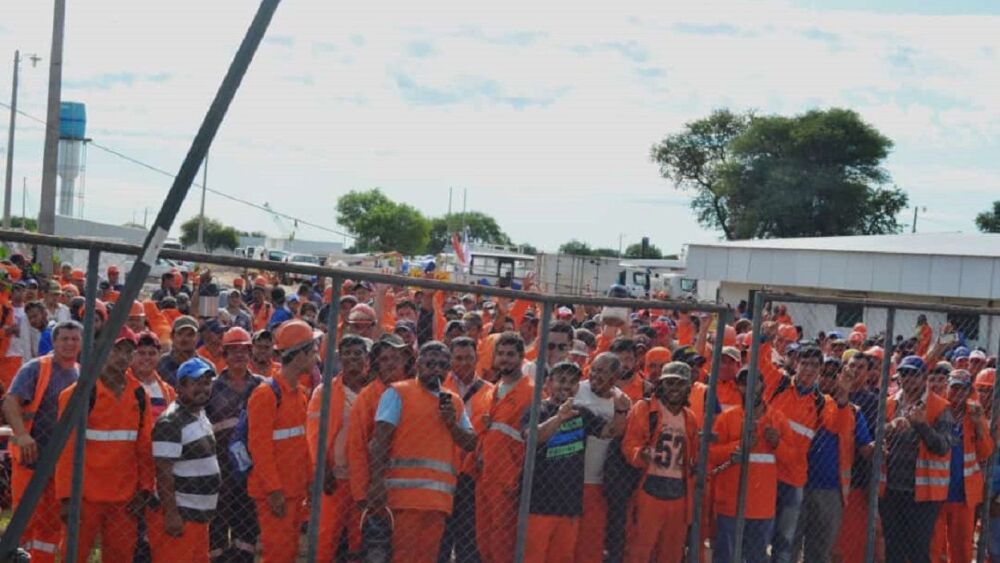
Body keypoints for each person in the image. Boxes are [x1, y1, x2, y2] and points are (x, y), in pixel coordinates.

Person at [366, 340, 477, 562]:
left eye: (442, 365)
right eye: (430, 363)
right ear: (418, 364)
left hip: (438, 502)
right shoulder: (398, 392)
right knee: (403, 556)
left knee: (428, 556)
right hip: (404, 499)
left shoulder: (453, 402)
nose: (436, 369)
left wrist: (451, 423)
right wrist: (376, 483)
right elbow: (379, 441)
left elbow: (471, 443)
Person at [55, 326, 155, 562]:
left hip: (125, 500)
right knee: (73, 555)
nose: (123, 357)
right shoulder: (78, 394)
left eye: (128, 351)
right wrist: (67, 497)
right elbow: (66, 449)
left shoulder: (139, 394)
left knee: (120, 557)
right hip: (84, 498)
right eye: (116, 349)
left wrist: (144, 490)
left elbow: (144, 447)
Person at [521, 361, 627, 563]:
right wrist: (559, 418)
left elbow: (609, 432)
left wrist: (621, 412)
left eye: (572, 382)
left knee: (563, 558)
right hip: (538, 504)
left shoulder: (581, 413)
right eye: (561, 380)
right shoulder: (537, 409)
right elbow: (533, 436)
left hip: (570, 505)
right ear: (548, 383)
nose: (566, 386)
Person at [1, 320, 82, 563]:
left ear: (81, 344)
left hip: (60, 465)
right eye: (64, 338)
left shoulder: (81, 373)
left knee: (51, 526)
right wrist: (23, 435)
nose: (69, 343)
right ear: (54, 341)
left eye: (74, 339)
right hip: (31, 460)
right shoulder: (36, 368)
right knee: (24, 521)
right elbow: (10, 402)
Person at [766, 345, 853, 563]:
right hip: (765, 471)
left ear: (819, 370)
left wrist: (843, 396)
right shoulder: (779, 384)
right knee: (756, 534)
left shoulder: (822, 402)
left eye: (815, 365)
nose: (808, 369)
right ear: (796, 363)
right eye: (804, 363)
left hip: (793, 478)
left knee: (785, 541)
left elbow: (838, 425)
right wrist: (765, 337)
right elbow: (758, 360)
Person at [710, 367, 794, 563]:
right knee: (727, 557)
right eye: (743, 383)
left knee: (756, 557)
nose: (749, 388)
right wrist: (741, 444)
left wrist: (777, 444)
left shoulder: (777, 420)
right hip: (731, 505)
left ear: (762, 385)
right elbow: (712, 455)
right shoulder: (727, 418)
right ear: (738, 387)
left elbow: (792, 460)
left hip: (762, 507)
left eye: (754, 382)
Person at [246, 319, 313, 562]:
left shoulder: (298, 394)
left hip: (293, 490)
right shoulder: (266, 395)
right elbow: (259, 448)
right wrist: (274, 491)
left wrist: (308, 481)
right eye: (312, 351)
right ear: (300, 355)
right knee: (278, 553)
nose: (316, 357)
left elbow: (301, 443)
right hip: (276, 492)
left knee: (289, 552)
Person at [621, 362, 700, 563]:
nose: (674, 388)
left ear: (688, 388)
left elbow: (693, 457)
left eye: (680, 384)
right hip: (649, 489)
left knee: (671, 553)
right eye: (670, 383)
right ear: (661, 385)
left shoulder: (689, 418)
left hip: (678, 493)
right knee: (640, 549)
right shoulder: (646, 408)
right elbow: (629, 443)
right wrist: (641, 454)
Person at [792, 356, 867, 563]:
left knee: (820, 550)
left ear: (840, 379)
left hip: (829, 490)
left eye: (832, 376)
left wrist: (878, 446)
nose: (827, 379)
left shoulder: (852, 411)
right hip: (796, 484)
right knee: (789, 545)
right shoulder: (799, 401)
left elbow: (865, 445)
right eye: (823, 374)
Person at [149, 357, 222, 563]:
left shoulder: (199, 414)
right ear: (180, 386)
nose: (203, 388)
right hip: (180, 516)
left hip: (198, 517)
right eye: (196, 383)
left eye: (207, 383)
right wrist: (171, 514)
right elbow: (163, 472)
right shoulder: (170, 421)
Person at [881, 355, 953, 563]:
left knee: (918, 551)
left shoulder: (940, 407)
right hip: (892, 489)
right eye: (905, 374)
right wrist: (891, 427)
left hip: (923, 495)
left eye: (914, 374)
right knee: (893, 550)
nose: (909, 378)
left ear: (924, 378)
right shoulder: (889, 403)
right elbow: (875, 432)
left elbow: (943, 446)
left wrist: (921, 425)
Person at [306, 335, 369, 562]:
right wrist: (322, 469)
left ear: (366, 358)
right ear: (340, 358)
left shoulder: (373, 392)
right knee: (327, 537)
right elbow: (314, 435)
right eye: (348, 353)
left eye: (358, 353)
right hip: (334, 478)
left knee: (360, 539)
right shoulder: (324, 392)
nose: (353, 357)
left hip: (364, 480)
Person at [205, 327, 263, 562]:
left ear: (250, 353)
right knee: (216, 528)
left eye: (244, 350)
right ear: (224, 354)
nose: (239, 355)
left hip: (250, 469)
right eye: (233, 350)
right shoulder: (211, 387)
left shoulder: (261, 386)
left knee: (246, 529)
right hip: (219, 469)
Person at [477, 332, 534, 563]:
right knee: (484, 537)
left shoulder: (531, 391)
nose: (505, 359)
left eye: (511, 355)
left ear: (522, 358)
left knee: (504, 540)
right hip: (484, 475)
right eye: (500, 354)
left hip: (511, 477)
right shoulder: (491, 390)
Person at [571, 352, 632, 563]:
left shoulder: (622, 401)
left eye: (602, 372)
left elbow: (620, 433)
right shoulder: (577, 390)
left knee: (591, 540)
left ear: (615, 377)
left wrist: (621, 411)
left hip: (599, 481)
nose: (595, 376)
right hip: (569, 478)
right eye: (594, 369)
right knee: (567, 538)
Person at [439, 336, 494, 563]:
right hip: (444, 471)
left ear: (477, 358)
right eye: (458, 358)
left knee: (468, 539)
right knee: (440, 540)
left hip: (472, 476)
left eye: (469, 358)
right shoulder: (439, 388)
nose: (463, 363)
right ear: (450, 359)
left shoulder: (491, 392)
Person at [929, 369, 993, 563]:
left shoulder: (974, 414)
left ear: (968, 391)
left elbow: (986, 452)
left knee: (962, 549)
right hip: (937, 492)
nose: (958, 393)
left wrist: (979, 426)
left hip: (964, 495)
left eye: (963, 389)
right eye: (954, 387)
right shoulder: (937, 411)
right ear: (947, 387)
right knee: (933, 548)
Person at [157, 316, 199, 387]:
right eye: (180, 334)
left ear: (197, 338)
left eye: (190, 335)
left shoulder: (206, 366)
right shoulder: (160, 365)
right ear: (172, 336)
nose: (184, 339)